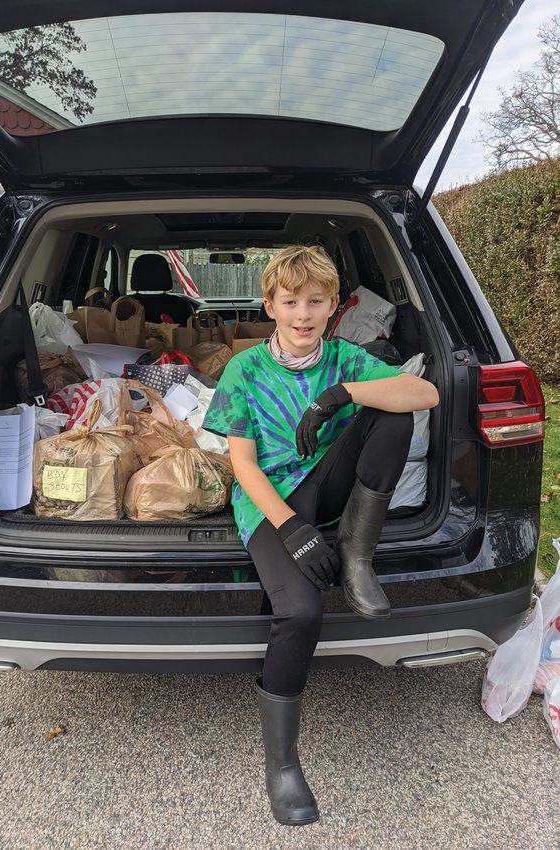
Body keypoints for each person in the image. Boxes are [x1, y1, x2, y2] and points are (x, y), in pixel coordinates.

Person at [202, 245, 439, 826]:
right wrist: (294, 531)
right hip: (270, 503)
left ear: (335, 305)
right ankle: (282, 766)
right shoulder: (244, 371)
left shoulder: (344, 358)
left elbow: (426, 394)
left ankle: (358, 554)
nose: (303, 315)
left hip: (330, 488)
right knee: (302, 613)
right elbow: (246, 469)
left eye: (315, 302)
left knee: (394, 410)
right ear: (270, 306)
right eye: (290, 302)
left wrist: (344, 394)